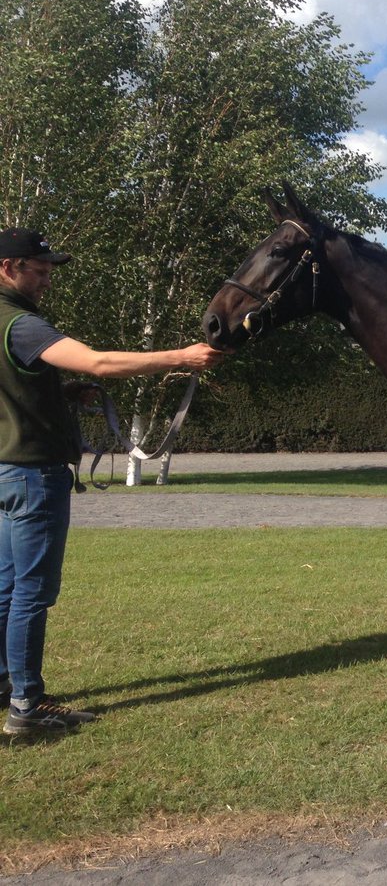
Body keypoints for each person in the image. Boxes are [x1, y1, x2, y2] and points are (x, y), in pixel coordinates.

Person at [0, 226, 225, 736]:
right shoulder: (21, 324)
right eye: (39, 272)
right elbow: (100, 361)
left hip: (7, 472)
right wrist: (180, 358)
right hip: (34, 476)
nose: (46, 282)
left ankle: (6, 687)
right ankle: (26, 708)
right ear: (8, 269)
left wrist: (59, 393)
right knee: (33, 593)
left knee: (9, 587)